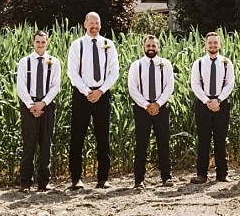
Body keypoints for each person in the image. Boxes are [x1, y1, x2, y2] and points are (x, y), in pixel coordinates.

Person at [67, 11, 120, 190]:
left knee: (103, 137)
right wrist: (87, 91)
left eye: (97, 23)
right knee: (77, 137)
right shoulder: (77, 45)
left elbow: (114, 71)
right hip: (82, 95)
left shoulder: (108, 45)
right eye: (91, 23)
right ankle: (76, 179)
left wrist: (101, 91)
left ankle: (103, 179)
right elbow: (72, 72)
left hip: (102, 95)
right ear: (84, 24)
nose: (94, 26)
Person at [15, 30, 61, 192]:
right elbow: (20, 86)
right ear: (32, 43)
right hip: (29, 106)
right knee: (29, 144)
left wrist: (43, 103)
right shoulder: (24, 62)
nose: (40, 45)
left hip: (47, 105)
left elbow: (56, 86)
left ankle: (44, 182)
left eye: (43, 42)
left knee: (46, 144)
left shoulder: (54, 62)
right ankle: (25, 182)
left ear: (47, 43)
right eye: (37, 42)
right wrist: (31, 105)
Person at [128, 35, 175, 189]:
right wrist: (146, 105)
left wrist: (158, 104)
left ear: (158, 48)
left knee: (164, 143)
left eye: (154, 46)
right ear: (143, 47)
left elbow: (169, 86)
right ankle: (139, 180)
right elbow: (132, 88)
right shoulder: (136, 66)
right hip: (142, 109)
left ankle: (166, 177)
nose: (151, 48)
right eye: (148, 46)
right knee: (141, 144)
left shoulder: (165, 64)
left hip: (161, 108)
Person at [190, 31, 235, 184]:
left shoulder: (226, 63)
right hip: (203, 104)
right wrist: (207, 101)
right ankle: (201, 174)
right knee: (203, 140)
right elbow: (195, 84)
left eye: (215, 42)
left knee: (221, 139)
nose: (213, 45)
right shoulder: (199, 63)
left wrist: (219, 100)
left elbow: (230, 83)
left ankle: (222, 174)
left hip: (222, 104)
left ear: (219, 44)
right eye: (210, 42)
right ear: (205, 44)